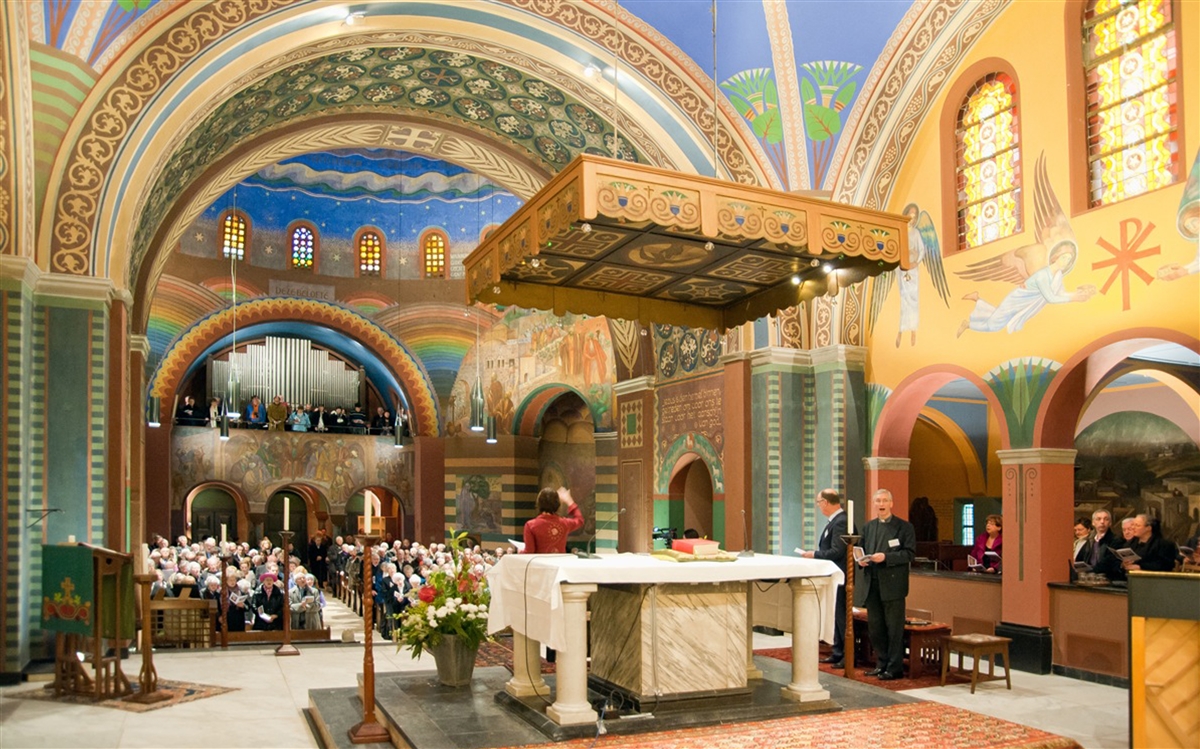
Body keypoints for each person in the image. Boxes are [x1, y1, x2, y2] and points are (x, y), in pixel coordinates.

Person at [854, 489, 916, 681]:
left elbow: (909, 554)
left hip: (893, 586)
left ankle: (894, 668)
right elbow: (861, 549)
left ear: (891, 503)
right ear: (874, 504)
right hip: (872, 584)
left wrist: (886, 557)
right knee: (876, 628)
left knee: (894, 629)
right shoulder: (869, 527)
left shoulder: (904, 527)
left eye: (884, 500)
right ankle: (881, 664)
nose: (881, 504)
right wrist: (860, 560)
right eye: (877, 501)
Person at [800, 488, 848, 668]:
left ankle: (845, 654)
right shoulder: (834, 521)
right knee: (834, 614)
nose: (819, 506)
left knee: (841, 615)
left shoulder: (841, 522)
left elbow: (837, 551)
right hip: (832, 576)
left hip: (840, 576)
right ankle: (837, 651)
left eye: (819, 502)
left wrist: (815, 554)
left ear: (826, 503)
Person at [522, 486, 585, 554]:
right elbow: (580, 520)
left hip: (540, 563)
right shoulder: (564, 523)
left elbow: (529, 551)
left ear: (538, 503)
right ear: (557, 504)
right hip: (560, 563)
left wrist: (517, 552)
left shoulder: (530, 525)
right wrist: (569, 501)